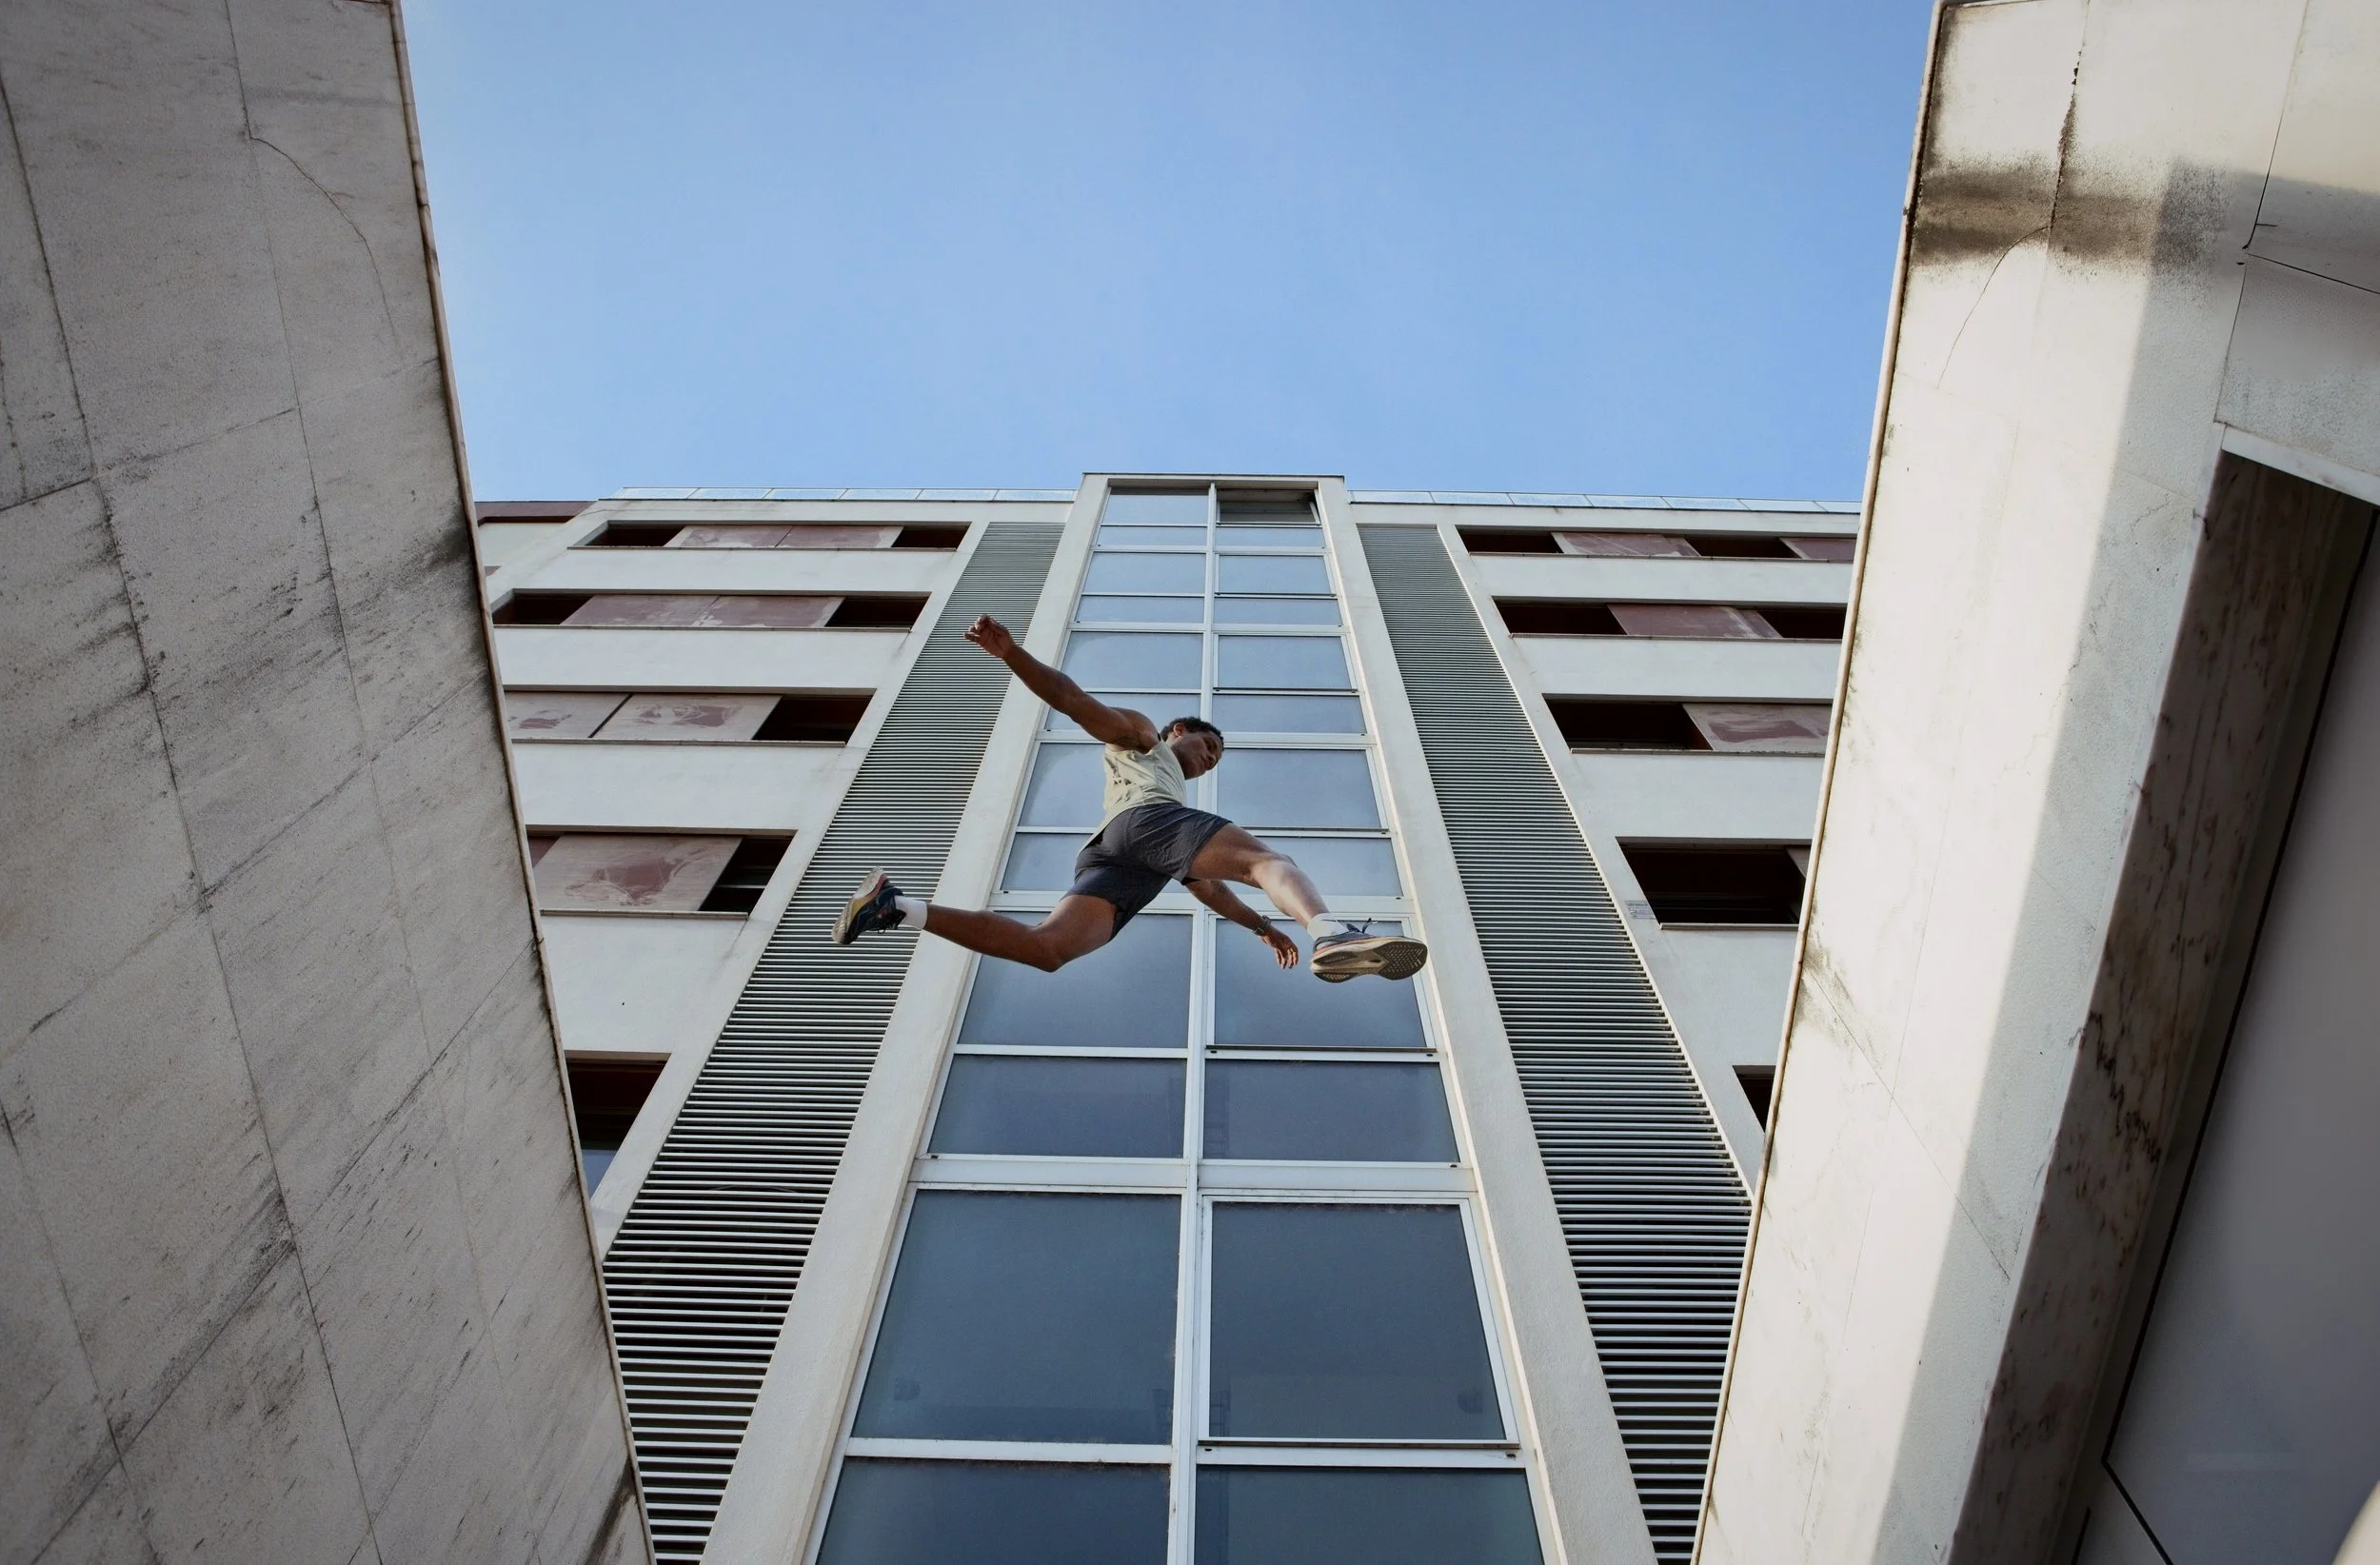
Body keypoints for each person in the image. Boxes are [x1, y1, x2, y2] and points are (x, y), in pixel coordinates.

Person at [833, 613, 1429, 983]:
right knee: (1270, 861)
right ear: (1177, 731)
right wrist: (1011, 653)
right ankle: (1331, 931)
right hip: (1142, 827)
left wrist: (1263, 929)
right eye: (1207, 743)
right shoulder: (1144, 738)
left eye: (1216, 759)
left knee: (1049, 950)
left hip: (1118, 858)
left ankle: (895, 908)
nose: (1209, 758)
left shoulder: (1170, 810)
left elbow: (1210, 888)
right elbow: (1072, 699)